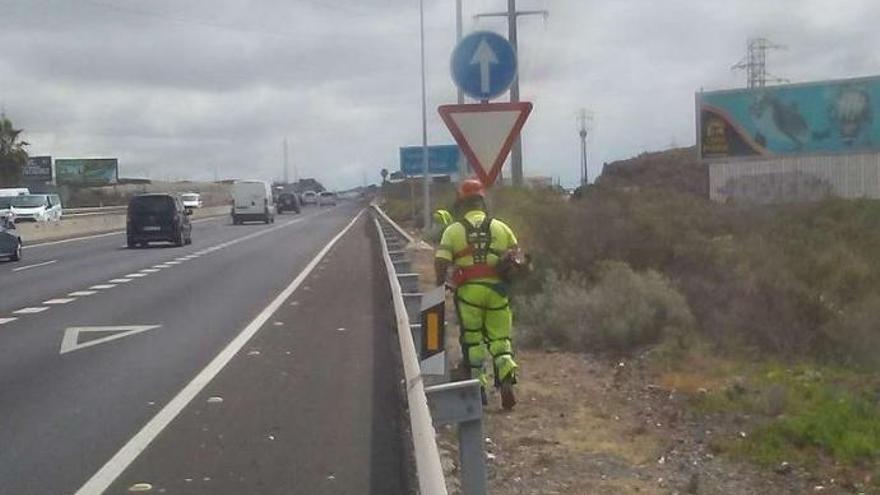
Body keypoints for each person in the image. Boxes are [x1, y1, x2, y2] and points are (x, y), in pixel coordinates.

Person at [434, 179, 522, 410]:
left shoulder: (453, 230)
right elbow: (516, 256)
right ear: (482, 201)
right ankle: (506, 379)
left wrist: (438, 286)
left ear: (462, 203)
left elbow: (441, 261)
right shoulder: (501, 227)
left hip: (469, 293)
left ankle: (478, 387)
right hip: (497, 291)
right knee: (500, 340)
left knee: (472, 339)